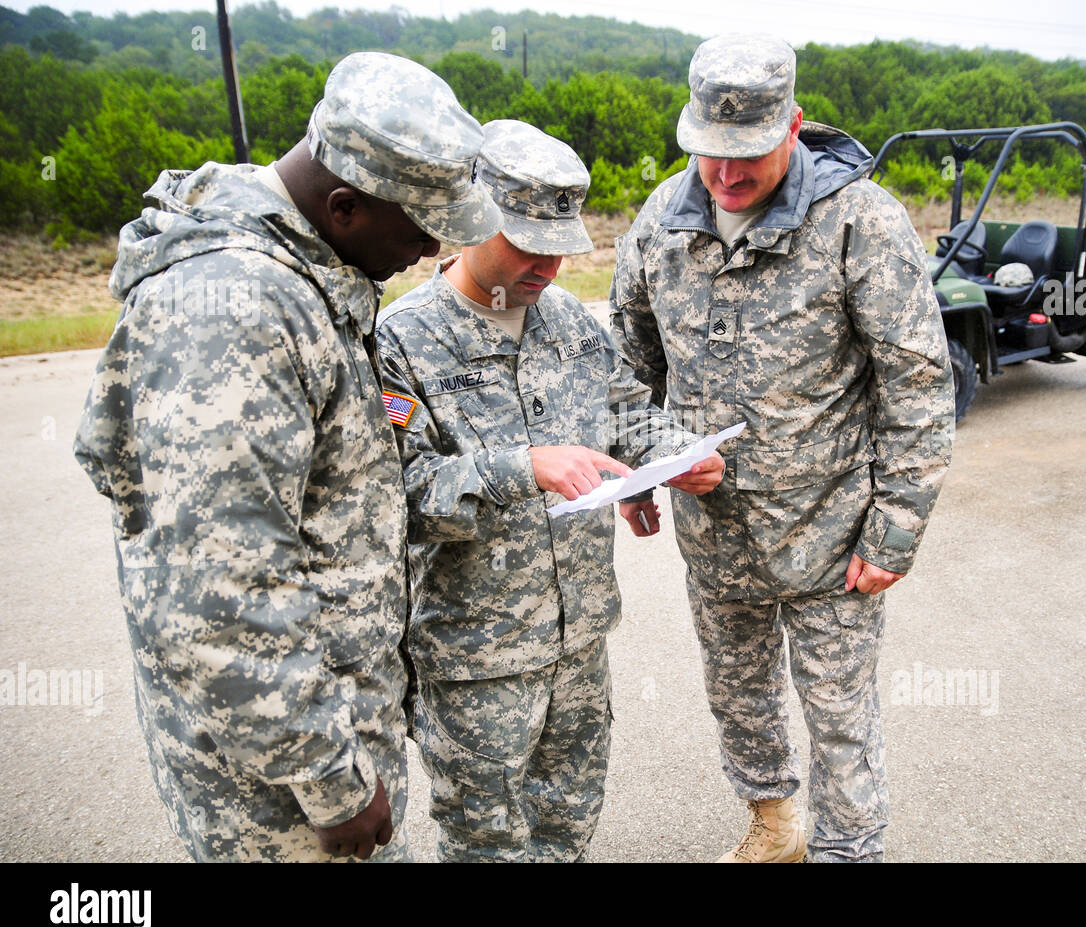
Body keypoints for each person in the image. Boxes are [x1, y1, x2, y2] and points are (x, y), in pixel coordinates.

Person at [72, 52, 503, 862]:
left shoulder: (306, 265)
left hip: (323, 742)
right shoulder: (234, 307)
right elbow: (219, 586)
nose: (429, 250)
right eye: (420, 228)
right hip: (279, 793)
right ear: (344, 206)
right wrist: (332, 779)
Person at [609, 34, 955, 863]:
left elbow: (918, 383)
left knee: (839, 712)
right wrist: (646, 461)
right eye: (709, 156)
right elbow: (621, 366)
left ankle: (848, 851)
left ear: (793, 126)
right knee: (739, 696)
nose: (725, 177)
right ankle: (774, 826)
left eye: (749, 158)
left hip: (833, 534)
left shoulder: (860, 221)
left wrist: (895, 530)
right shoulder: (661, 221)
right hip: (716, 538)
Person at [375, 119, 725, 862]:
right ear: (471, 218)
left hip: (579, 641)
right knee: (487, 845)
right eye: (524, 242)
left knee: (566, 830)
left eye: (558, 248)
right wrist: (521, 465)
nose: (544, 266)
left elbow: (628, 409)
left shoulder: (569, 321)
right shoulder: (402, 341)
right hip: (476, 662)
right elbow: (393, 497)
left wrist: (675, 456)